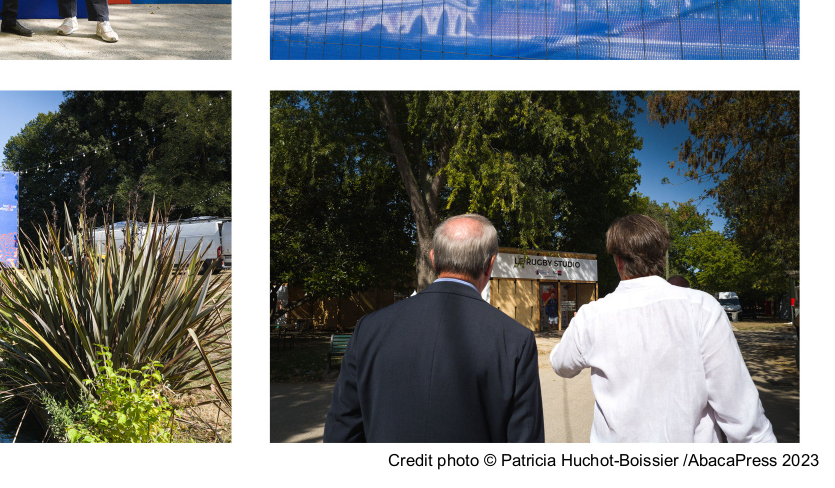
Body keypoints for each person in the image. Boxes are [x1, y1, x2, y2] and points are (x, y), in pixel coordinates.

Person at [550, 214, 775, 442]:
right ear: (662, 258)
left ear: (618, 261)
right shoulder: (702, 308)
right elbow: (743, 417)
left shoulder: (591, 316)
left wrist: (575, 327)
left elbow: (561, 365)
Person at [323, 214, 544, 442]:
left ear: (433, 259)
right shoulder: (515, 339)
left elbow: (341, 434)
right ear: (490, 265)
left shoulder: (370, 329)